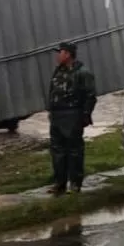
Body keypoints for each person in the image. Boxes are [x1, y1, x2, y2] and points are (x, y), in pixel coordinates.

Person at [47, 42, 96, 195]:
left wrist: (85, 116)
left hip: (72, 115)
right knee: (57, 151)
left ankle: (75, 184)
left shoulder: (82, 73)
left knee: (74, 151)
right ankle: (59, 184)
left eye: (60, 52)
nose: (57, 55)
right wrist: (51, 111)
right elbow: (52, 92)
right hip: (57, 116)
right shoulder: (58, 72)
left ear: (67, 54)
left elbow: (90, 96)